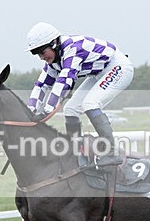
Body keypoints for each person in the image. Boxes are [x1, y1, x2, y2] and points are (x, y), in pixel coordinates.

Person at [26, 22, 134, 165]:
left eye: (42, 52)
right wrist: (30, 111)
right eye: (36, 53)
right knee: (70, 109)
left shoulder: (72, 49)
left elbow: (64, 81)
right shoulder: (54, 60)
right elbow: (41, 85)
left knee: (90, 104)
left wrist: (46, 110)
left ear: (54, 43)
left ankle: (112, 152)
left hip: (119, 67)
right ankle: (76, 153)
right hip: (99, 73)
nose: (41, 57)